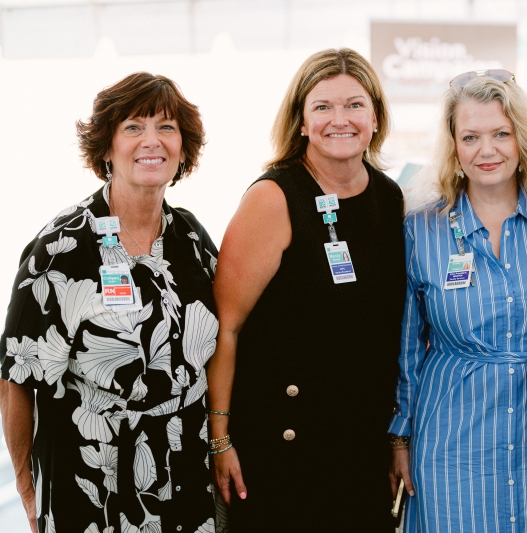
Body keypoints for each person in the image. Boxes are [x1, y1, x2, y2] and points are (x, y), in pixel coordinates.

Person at [0, 72, 219, 533]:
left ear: (183, 148)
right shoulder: (61, 248)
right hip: (92, 479)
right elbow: (16, 377)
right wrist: (26, 487)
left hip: (185, 473)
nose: (152, 141)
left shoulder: (192, 239)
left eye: (166, 127)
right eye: (134, 127)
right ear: (106, 148)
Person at [389, 70, 527, 533]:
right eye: (471, 136)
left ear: (523, 140)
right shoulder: (420, 229)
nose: (488, 150)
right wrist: (400, 439)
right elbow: (406, 347)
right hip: (452, 432)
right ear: (454, 147)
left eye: (502, 133)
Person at [207, 48, 406, 531]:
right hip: (282, 447)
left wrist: (396, 441)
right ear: (300, 122)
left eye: (354, 105)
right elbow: (226, 328)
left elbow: (388, 333)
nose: (340, 119)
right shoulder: (273, 198)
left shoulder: (388, 197)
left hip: (359, 444)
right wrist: (220, 438)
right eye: (322, 107)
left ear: (375, 117)